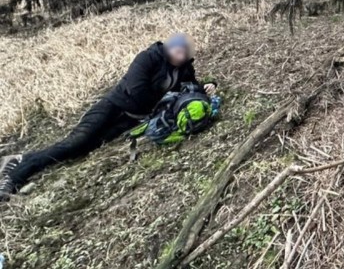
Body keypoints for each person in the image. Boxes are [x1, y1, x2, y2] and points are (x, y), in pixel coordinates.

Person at [0, 34, 217, 199]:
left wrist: (208, 85)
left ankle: (25, 158)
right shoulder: (148, 58)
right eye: (178, 52)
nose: (181, 57)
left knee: (87, 148)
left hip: (131, 120)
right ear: (170, 48)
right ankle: (15, 176)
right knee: (75, 142)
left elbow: (190, 87)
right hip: (113, 106)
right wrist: (163, 101)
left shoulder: (184, 69)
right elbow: (136, 89)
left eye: (184, 54)